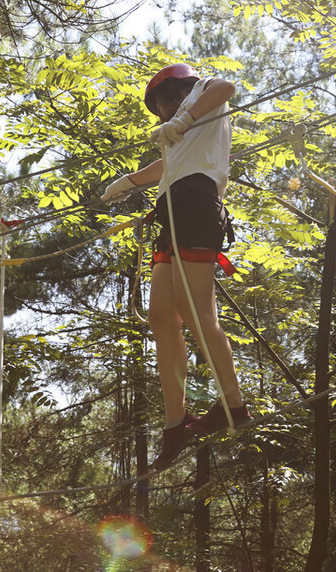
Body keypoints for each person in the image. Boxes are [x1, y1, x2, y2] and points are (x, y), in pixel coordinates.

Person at [102, 63, 251, 471]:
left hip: (197, 202)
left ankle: (233, 406)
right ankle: (175, 422)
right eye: (161, 109)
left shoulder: (204, 96)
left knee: (195, 309)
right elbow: (166, 168)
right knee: (161, 316)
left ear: (180, 89)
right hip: (171, 210)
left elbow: (226, 86)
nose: (166, 112)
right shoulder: (179, 134)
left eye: (168, 102)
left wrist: (185, 116)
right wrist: (130, 181)